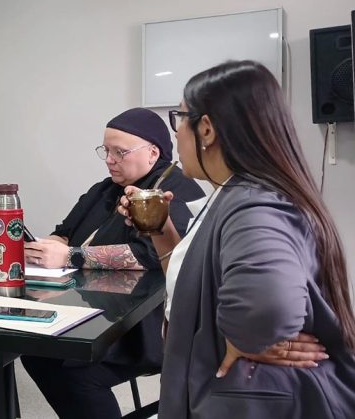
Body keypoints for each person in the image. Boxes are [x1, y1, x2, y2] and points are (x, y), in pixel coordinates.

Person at [117, 60, 355, 418]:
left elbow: (268, 307)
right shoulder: (232, 194)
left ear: (206, 129)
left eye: (179, 118)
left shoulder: (252, 203)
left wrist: (243, 337)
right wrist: (161, 232)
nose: (177, 133)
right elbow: (194, 290)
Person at [20, 107, 205, 419]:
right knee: (37, 353)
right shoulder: (104, 189)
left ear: (153, 152)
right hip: (95, 305)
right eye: (105, 150)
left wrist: (70, 256)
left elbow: (147, 255)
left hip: (145, 321)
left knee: (72, 370)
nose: (109, 159)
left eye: (120, 152)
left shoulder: (173, 189)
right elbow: (65, 233)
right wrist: (45, 247)